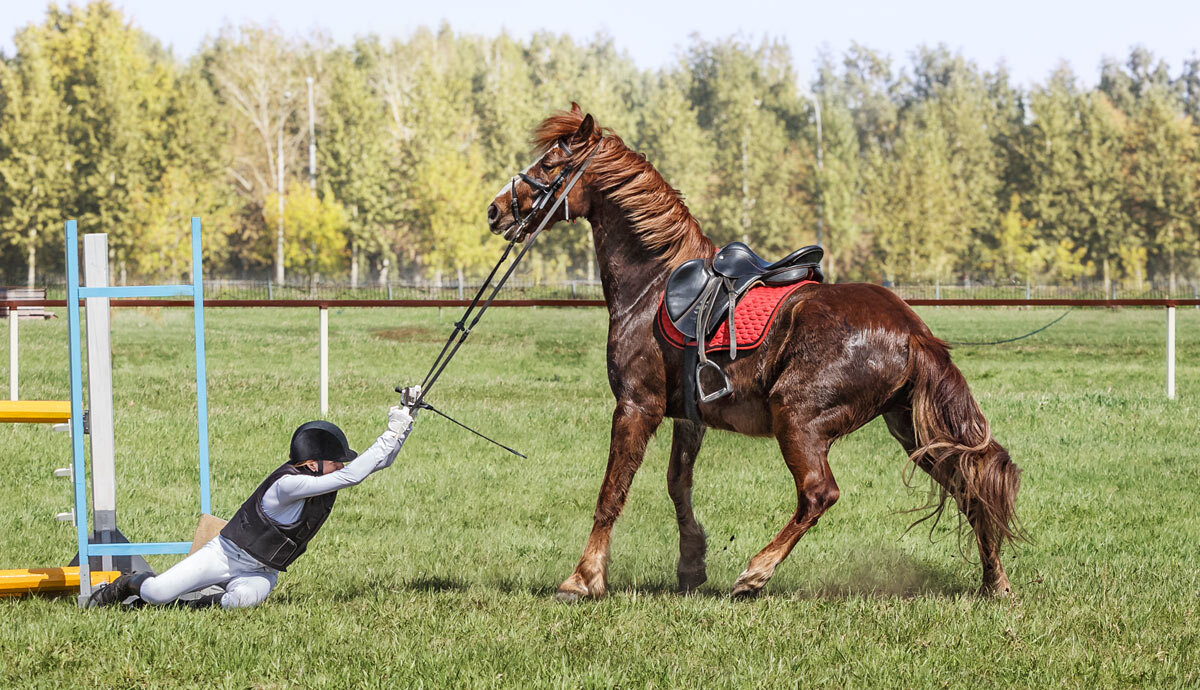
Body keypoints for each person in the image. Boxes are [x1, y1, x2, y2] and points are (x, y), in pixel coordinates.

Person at [88, 392, 418, 609]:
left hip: (262, 570)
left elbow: (379, 463)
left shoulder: (320, 480)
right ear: (313, 463)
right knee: (156, 592)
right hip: (225, 557)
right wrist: (390, 432)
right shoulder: (289, 485)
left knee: (242, 602)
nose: (341, 465)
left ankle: (188, 607)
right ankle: (127, 584)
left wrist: (405, 423)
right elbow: (354, 475)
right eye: (335, 461)